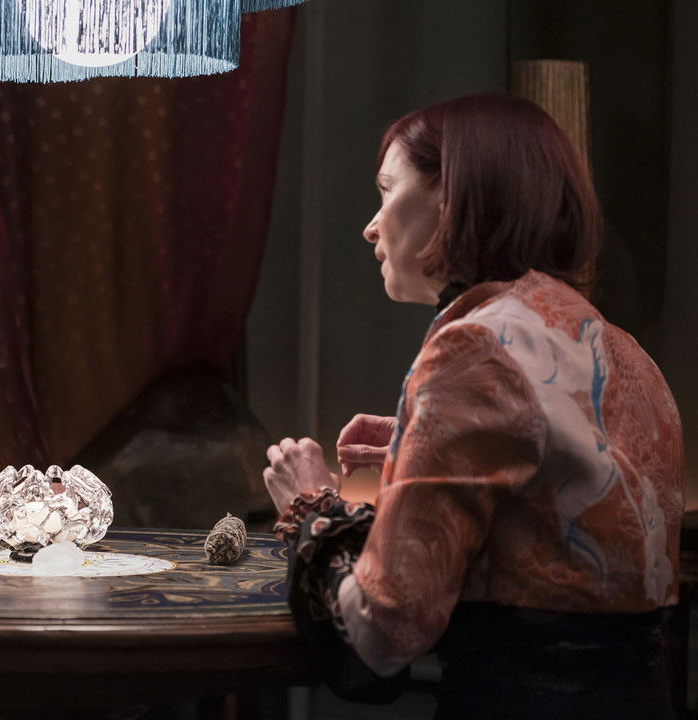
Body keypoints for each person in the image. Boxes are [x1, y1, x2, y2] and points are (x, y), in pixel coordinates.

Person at [262, 93, 683, 719]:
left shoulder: (474, 345)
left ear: (452, 197)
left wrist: (311, 506)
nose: (371, 226)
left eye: (387, 191)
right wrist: (417, 441)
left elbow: (380, 637)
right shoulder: (620, 350)